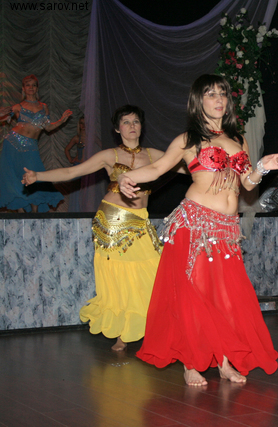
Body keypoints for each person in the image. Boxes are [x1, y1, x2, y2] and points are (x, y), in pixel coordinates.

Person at [118, 74, 278, 385]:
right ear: (198, 101)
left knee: (226, 298)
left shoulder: (238, 140)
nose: (219, 99)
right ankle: (191, 362)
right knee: (193, 296)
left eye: (222, 93)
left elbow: (247, 185)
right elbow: (156, 169)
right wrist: (125, 177)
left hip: (226, 229)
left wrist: (262, 168)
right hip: (194, 224)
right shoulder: (188, 140)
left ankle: (224, 361)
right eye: (210, 94)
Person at [23, 105, 167, 351]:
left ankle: (151, 326)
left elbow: (187, 166)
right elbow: (72, 171)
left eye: (135, 121)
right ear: (117, 129)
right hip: (113, 222)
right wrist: (38, 176)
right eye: (126, 122)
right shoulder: (109, 155)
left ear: (141, 126)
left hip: (140, 220)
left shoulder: (155, 155)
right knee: (119, 277)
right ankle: (123, 332)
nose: (132, 126)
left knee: (154, 270)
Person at [0, 74, 71, 212]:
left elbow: (48, 127)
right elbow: (2, 117)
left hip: (31, 146)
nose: (31, 87)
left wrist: (62, 120)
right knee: (15, 176)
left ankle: (34, 212)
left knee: (35, 174)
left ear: (37, 88)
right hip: (13, 143)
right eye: (28, 85)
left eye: (33, 85)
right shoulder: (18, 106)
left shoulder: (43, 107)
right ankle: (20, 211)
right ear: (23, 89)